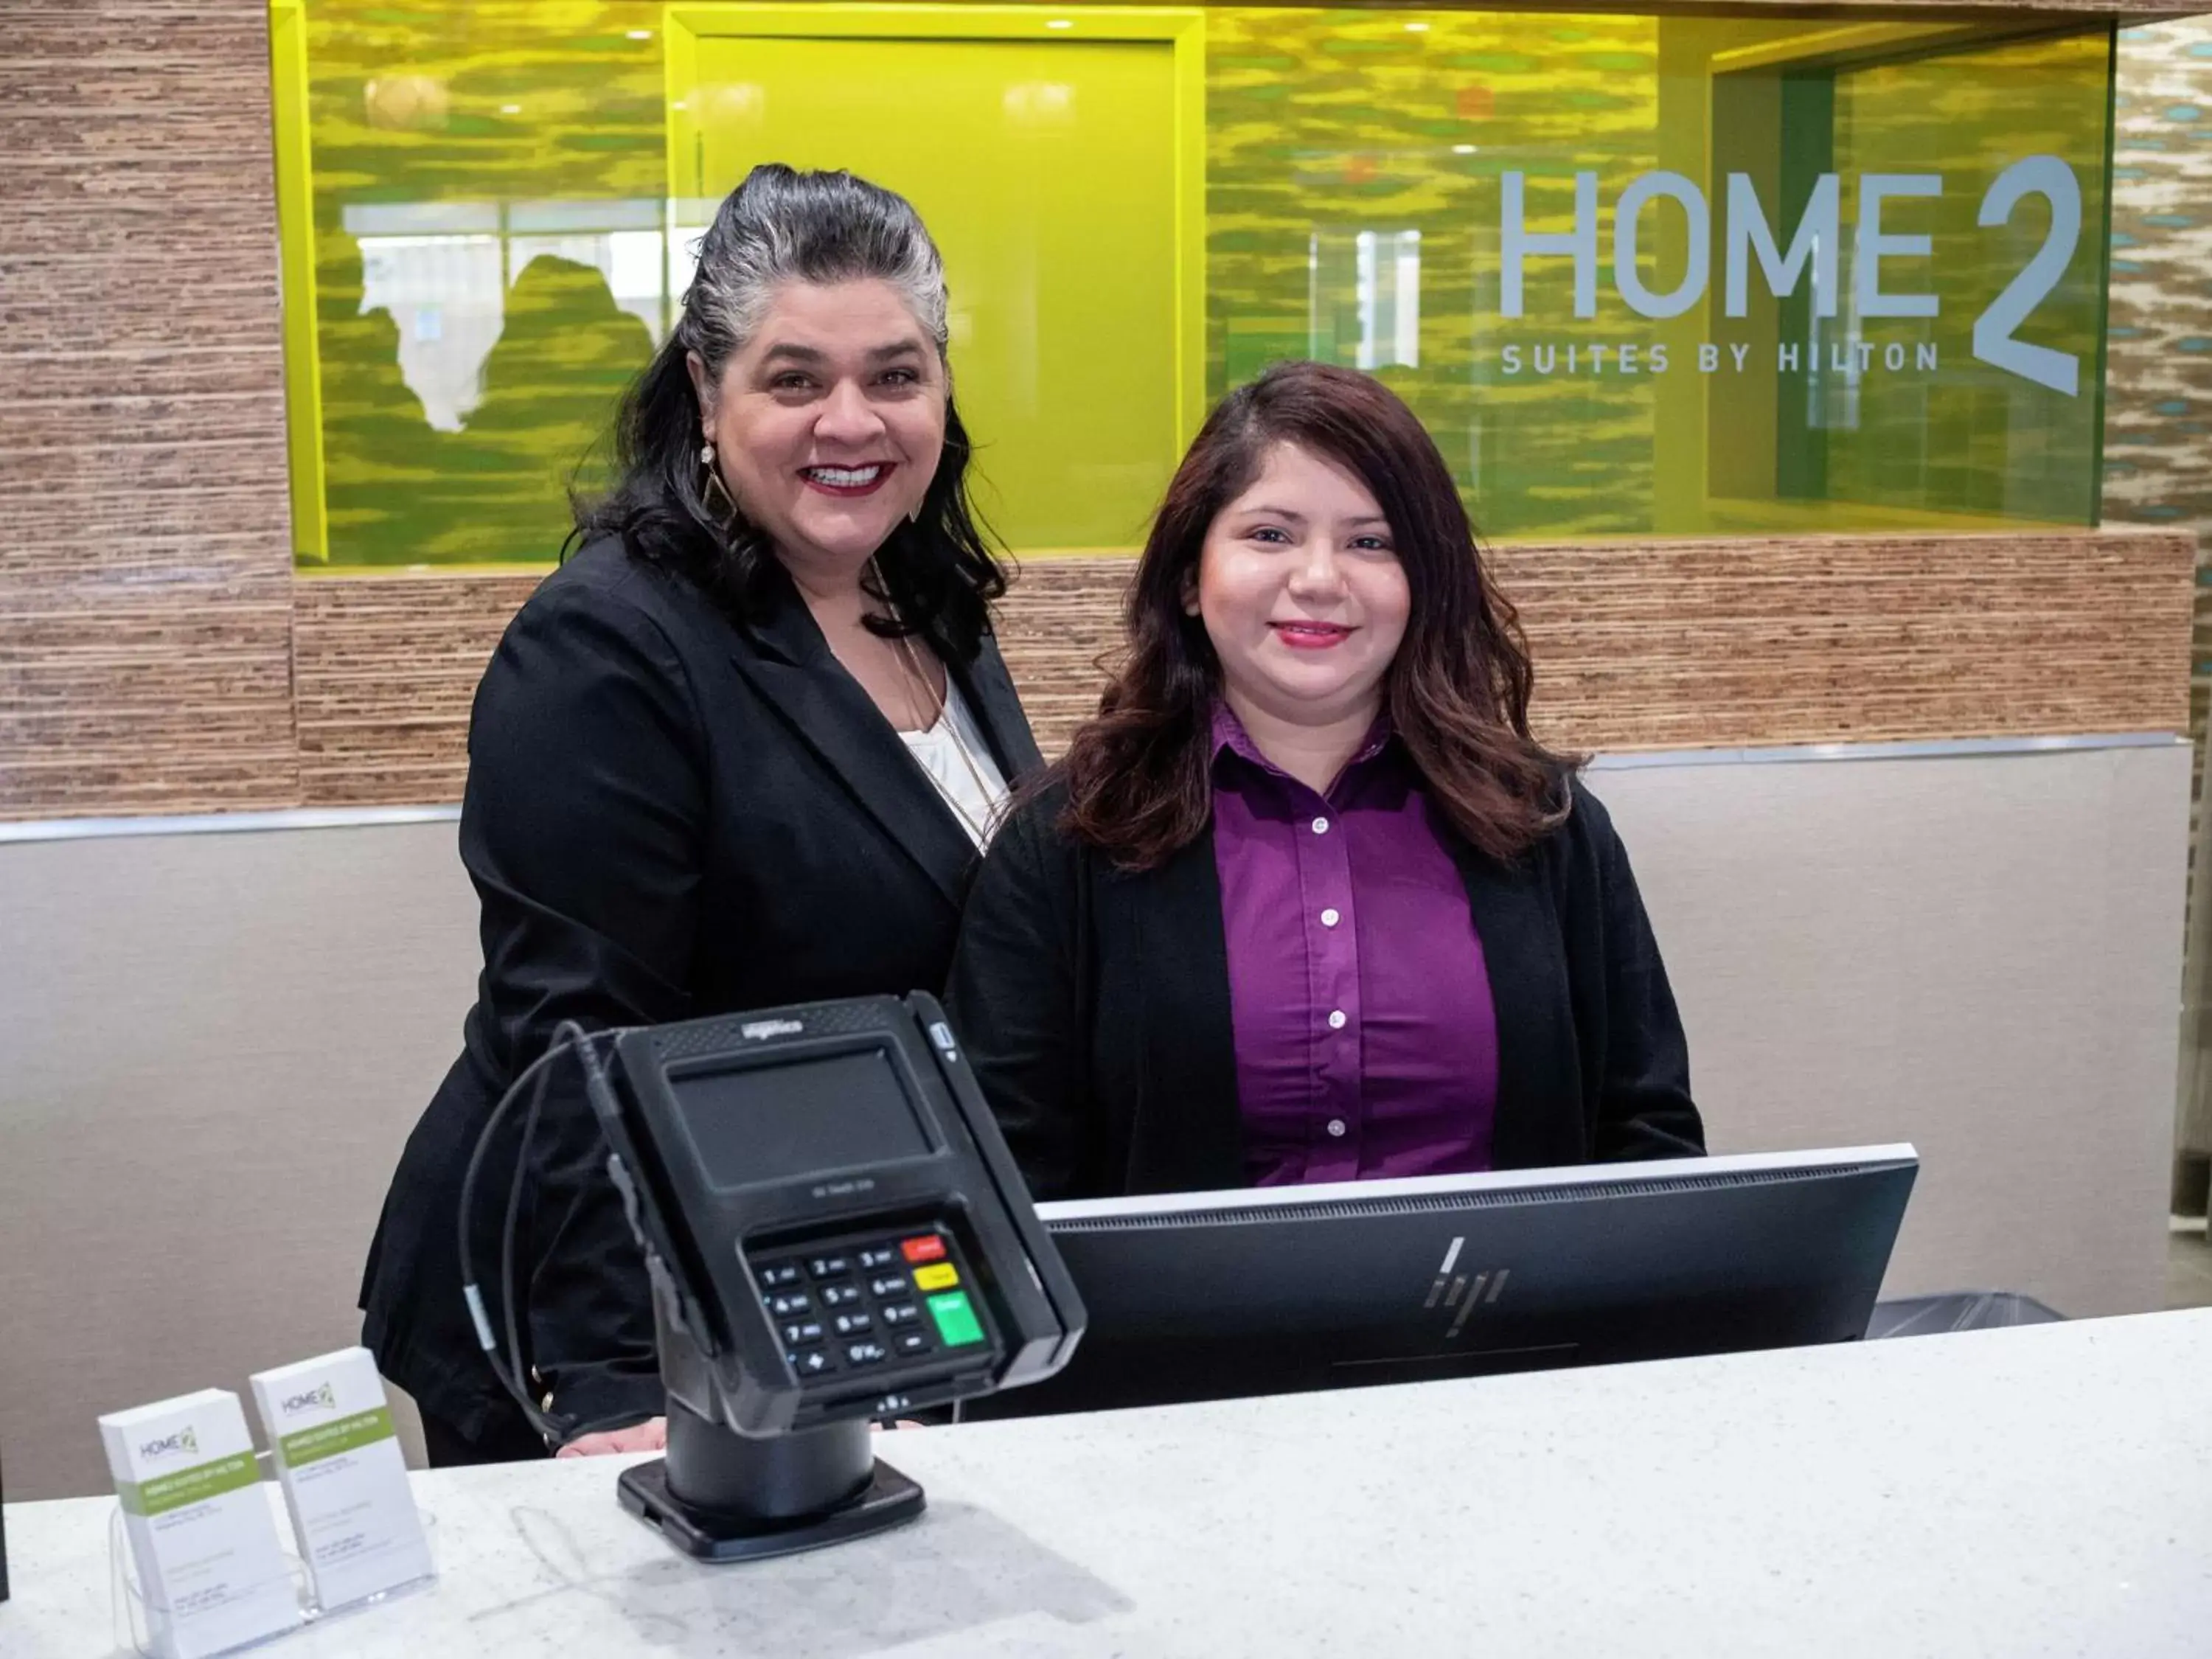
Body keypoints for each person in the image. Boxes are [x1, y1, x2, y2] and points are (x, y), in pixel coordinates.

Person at [359, 165, 1040, 1465]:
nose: (853, 420)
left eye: (896, 375)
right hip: (612, 1303)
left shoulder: (925, 595)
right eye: (795, 379)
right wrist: (613, 1375)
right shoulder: (608, 646)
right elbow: (576, 1038)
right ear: (705, 394)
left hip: (811, 1258)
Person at [945, 361, 1702, 1201]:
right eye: (1271, 535)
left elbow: (1650, 1137)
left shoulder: (1546, 826)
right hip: (1193, 1296)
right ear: (1191, 577)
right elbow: (1007, 1177)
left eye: (1370, 542)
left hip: (1506, 1291)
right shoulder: (1065, 843)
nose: (1318, 580)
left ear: (1424, 583)